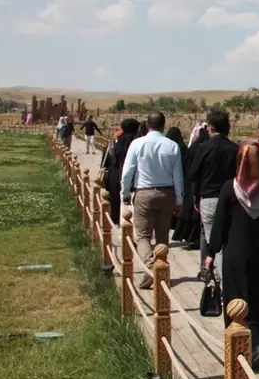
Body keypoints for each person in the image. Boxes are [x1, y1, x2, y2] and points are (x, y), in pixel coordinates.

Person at [206, 140, 259, 367]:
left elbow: (220, 225)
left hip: (235, 255)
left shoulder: (230, 188)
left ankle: (238, 349)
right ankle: (258, 344)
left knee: (235, 299)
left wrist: (211, 252)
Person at [120, 111, 183, 289]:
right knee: (163, 235)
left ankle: (152, 268)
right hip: (167, 193)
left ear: (147, 125)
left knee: (142, 235)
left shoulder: (137, 143)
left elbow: (128, 171)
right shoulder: (172, 145)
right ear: (164, 125)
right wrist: (179, 199)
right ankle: (157, 271)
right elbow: (178, 175)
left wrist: (125, 192)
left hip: (144, 192)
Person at [187, 109, 238, 281]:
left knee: (214, 241)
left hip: (208, 198)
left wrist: (195, 195)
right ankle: (211, 271)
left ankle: (221, 280)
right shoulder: (235, 149)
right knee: (224, 238)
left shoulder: (203, 148)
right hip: (232, 199)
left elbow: (192, 174)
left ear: (210, 127)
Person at [102, 118, 139, 224]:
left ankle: (116, 221)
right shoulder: (139, 143)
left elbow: (109, 159)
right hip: (134, 176)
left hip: (115, 174)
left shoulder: (115, 143)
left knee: (116, 200)